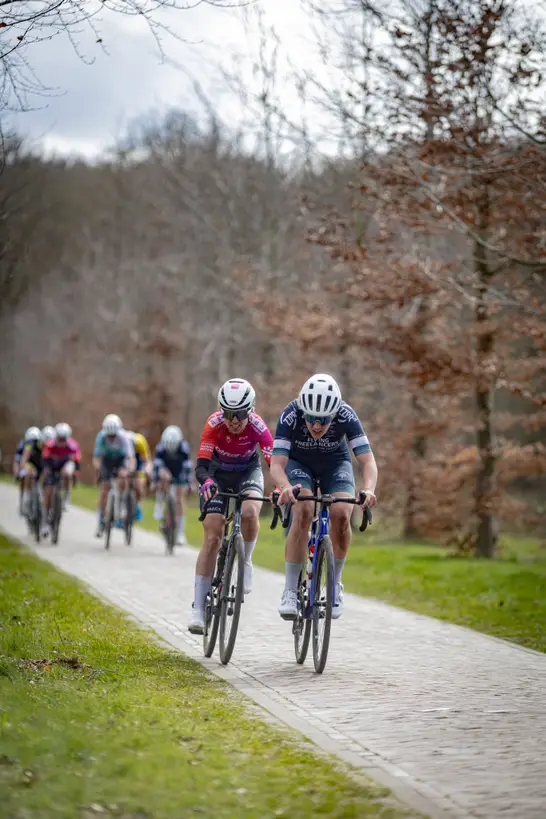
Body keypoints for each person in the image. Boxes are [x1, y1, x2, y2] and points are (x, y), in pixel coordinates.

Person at [270, 373, 378, 621]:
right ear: (303, 411)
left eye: (324, 420)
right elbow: (277, 464)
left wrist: (370, 489)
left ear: (334, 413)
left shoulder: (346, 415)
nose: (317, 426)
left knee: (341, 514)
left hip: (335, 464)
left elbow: (367, 460)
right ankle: (290, 590)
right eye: (311, 418)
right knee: (303, 509)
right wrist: (285, 486)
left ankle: (335, 584)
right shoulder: (290, 414)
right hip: (299, 465)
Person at [188, 378, 274, 635]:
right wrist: (207, 481)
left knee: (250, 511)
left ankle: (245, 561)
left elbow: (275, 463)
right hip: (217, 473)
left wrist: (282, 486)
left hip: (248, 472)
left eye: (240, 414)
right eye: (228, 413)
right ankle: (198, 609)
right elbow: (201, 466)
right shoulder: (213, 424)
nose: (234, 420)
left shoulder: (258, 427)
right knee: (212, 536)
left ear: (251, 411)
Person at [93, 414, 135, 535]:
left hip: (121, 460)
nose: (111, 438)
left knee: (123, 478)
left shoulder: (123, 437)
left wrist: (128, 470)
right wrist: (98, 468)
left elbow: (131, 457)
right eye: (109, 436)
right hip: (107, 461)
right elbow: (96, 457)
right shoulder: (101, 437)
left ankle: (122, 505)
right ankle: (100, 521)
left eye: (113, 436)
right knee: (104, 490)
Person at [152, 425, 192, 545]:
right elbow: (156, 467)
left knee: (179, 500)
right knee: (163, 476)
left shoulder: (184, 448)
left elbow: (188, 467)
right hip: (166, 469)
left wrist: (189, 483)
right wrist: (155, 481)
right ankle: (159, 503)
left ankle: (180, 533)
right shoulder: (160, 448)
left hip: (179, 471)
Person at [42, 423, 81, 535]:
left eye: (64, 439)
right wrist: (46, 471)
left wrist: (74, 472)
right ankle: (45, 521)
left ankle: (66, 498)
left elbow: (76, 461)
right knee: (48, 492)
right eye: (59, 439)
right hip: (52, 467)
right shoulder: (50, 444)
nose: (61, 442)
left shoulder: (72, 445)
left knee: (68, 473)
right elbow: (45, 460)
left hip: (64, 467)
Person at [124, 429, 152, 521]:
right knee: (123, 482)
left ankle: (138, 506)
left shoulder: (140, 442)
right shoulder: (122, 443)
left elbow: (147, 460)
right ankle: (121, 509)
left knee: (139, 484)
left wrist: (146, 471)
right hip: (126, 463)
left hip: (139, 464)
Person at [13, 427, 41, 515]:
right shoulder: (24, 445)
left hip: (37, 467)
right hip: (26, 466)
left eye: (35, 441)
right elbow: (18, 461)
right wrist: (17, 474)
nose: (33, 443)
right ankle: (24, 499)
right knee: (24, 477)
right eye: (31, 441)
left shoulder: (40, 446)